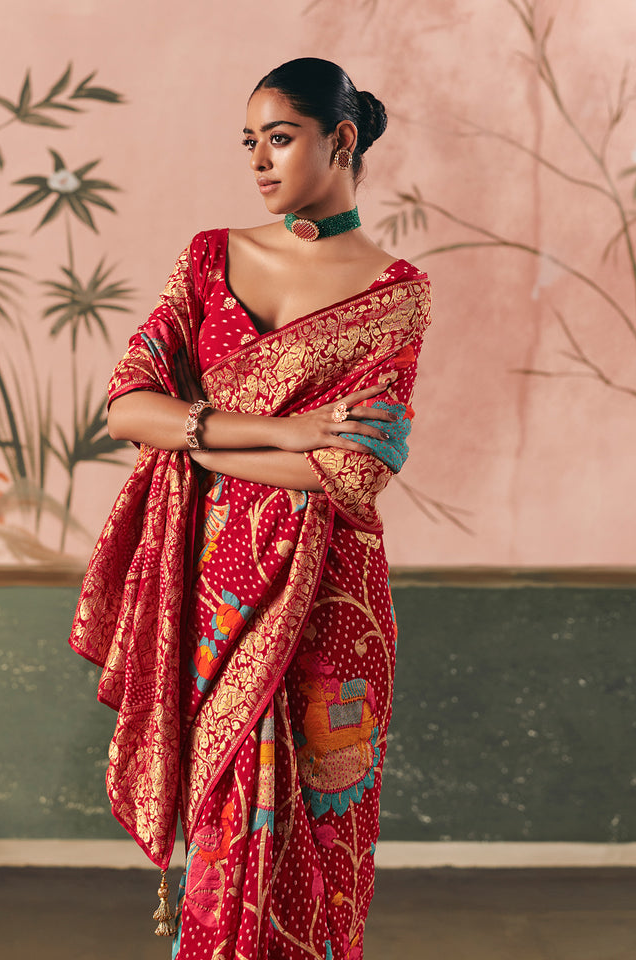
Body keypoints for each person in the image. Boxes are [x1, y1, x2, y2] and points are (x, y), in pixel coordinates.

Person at [69, 57, 431, 960]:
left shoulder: (396, 295)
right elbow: (125, 408)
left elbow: (353, 478)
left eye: (281, 138)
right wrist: (299, 428)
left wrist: (201, 441)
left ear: (341, 140)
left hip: (325, 606)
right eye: (251, 143)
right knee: (225, 835)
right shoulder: (208, 258)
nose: (260, 163)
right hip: (207, 592)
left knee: (317, 851)